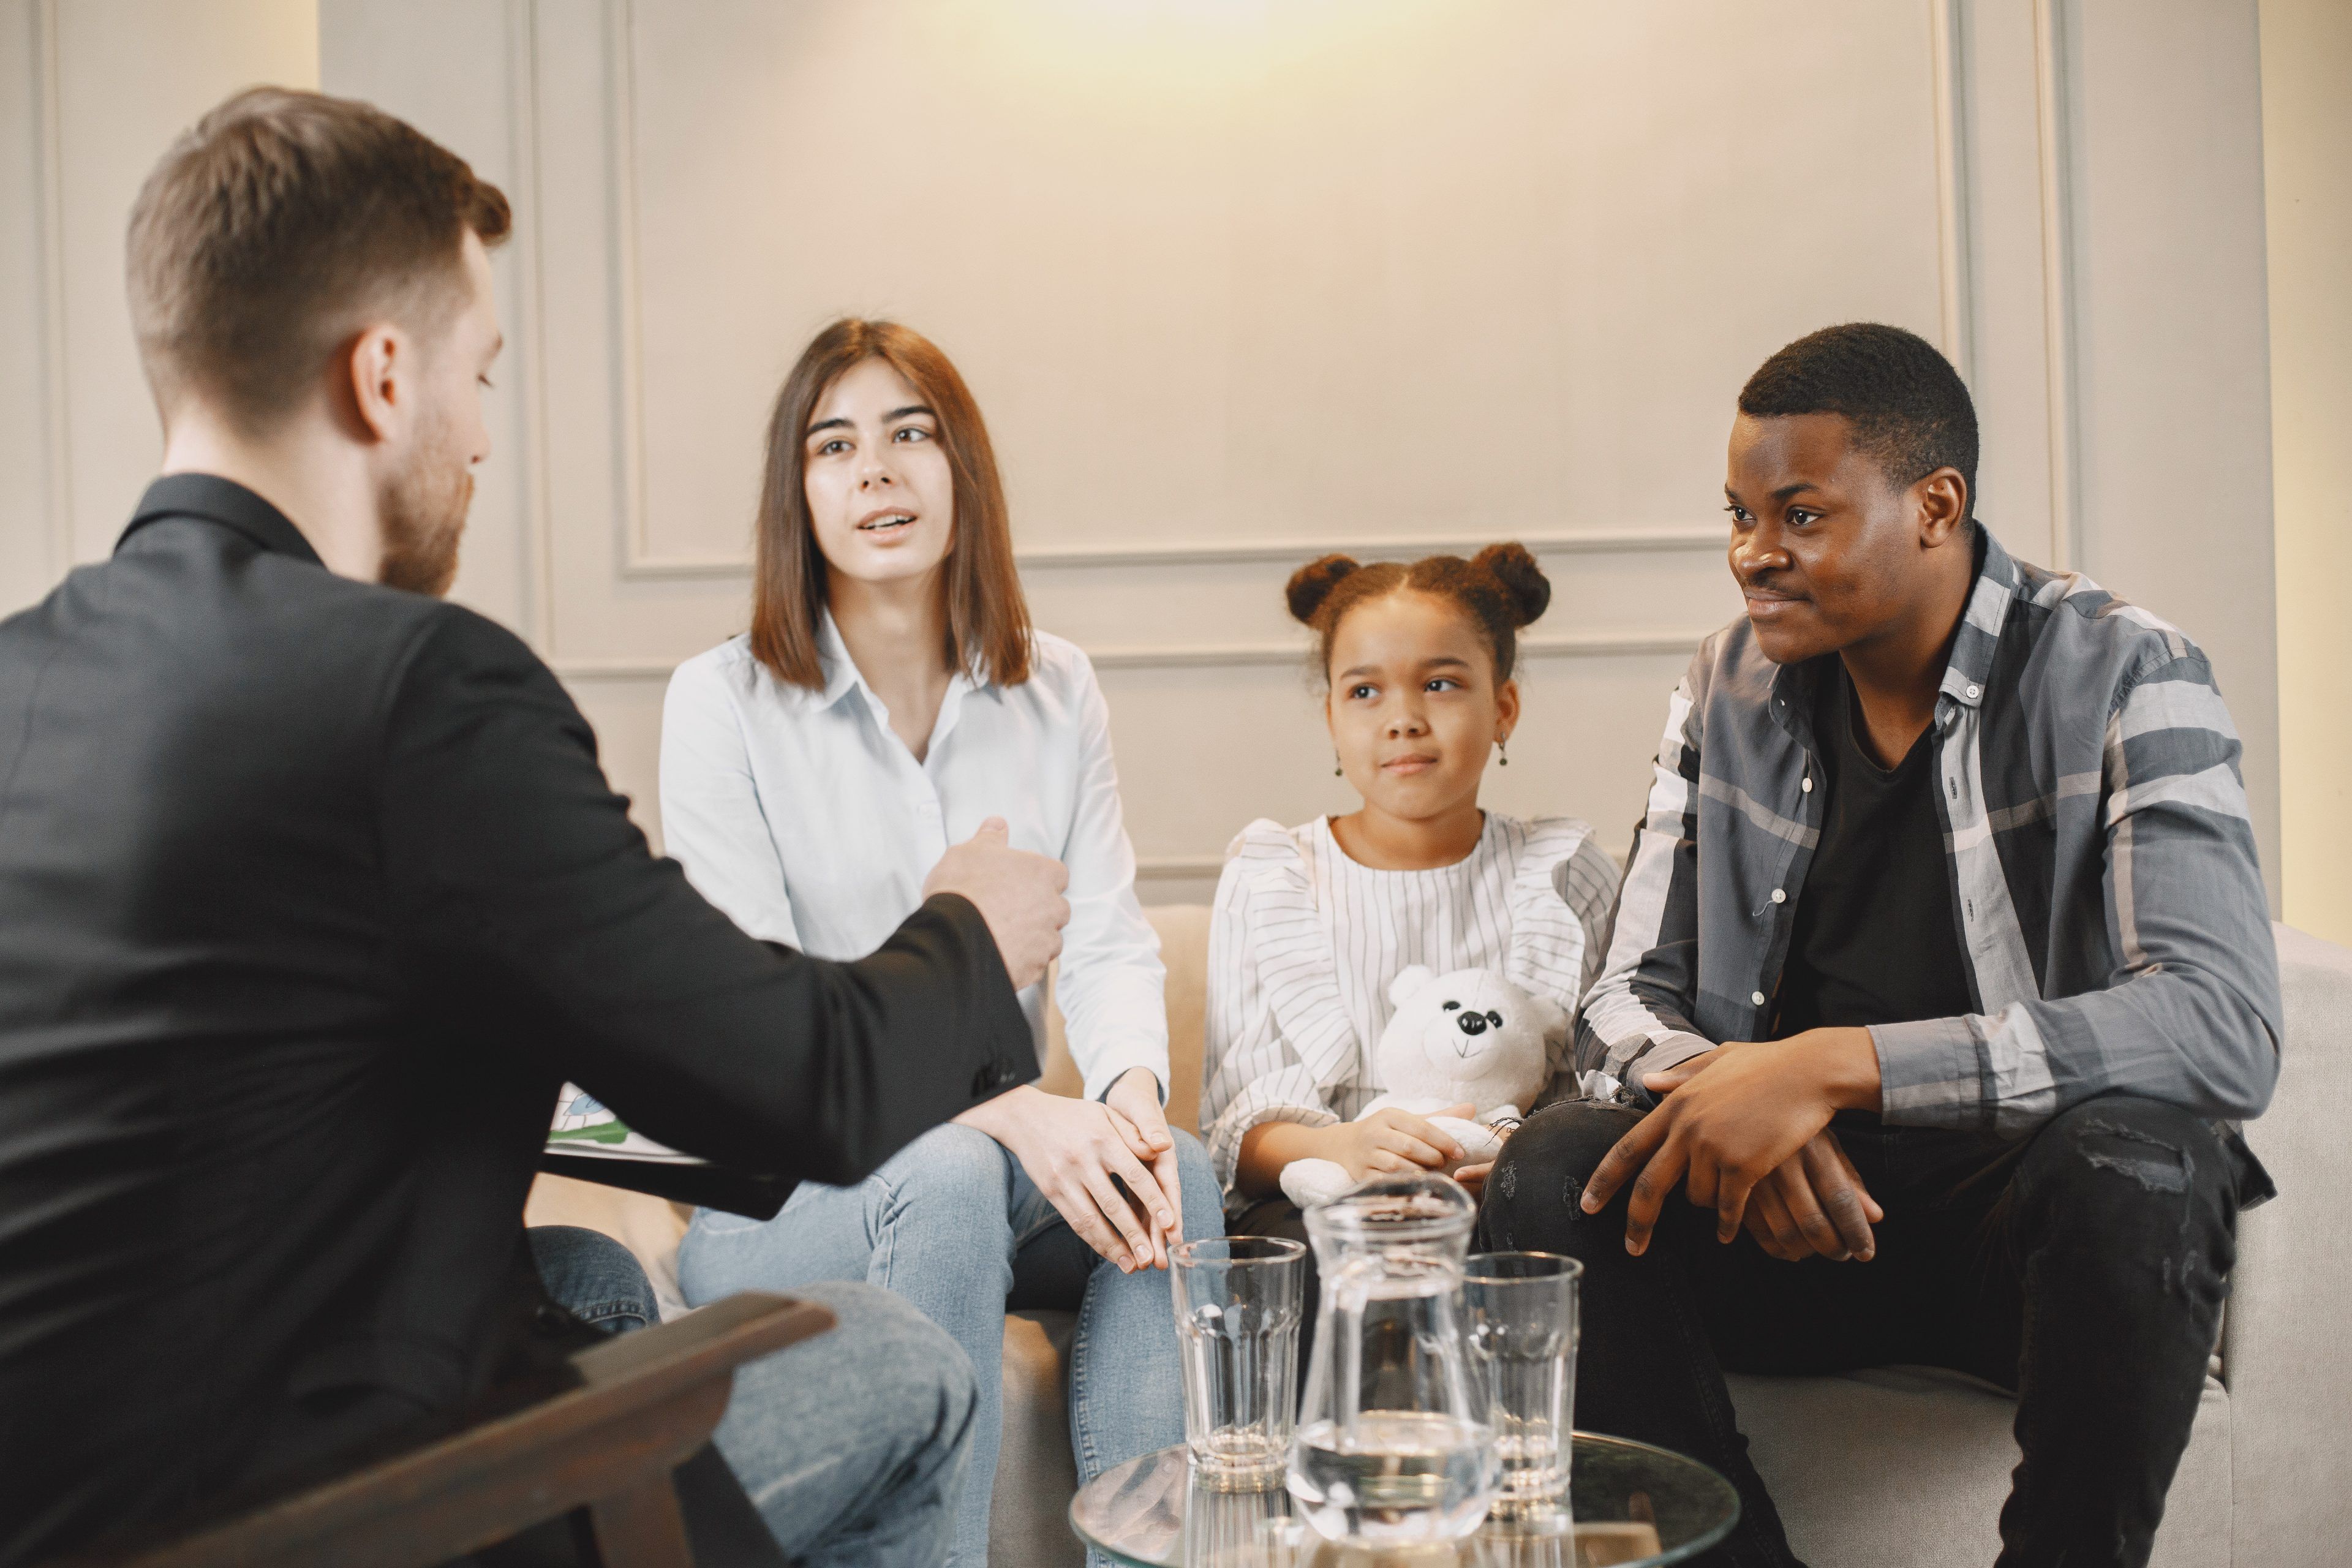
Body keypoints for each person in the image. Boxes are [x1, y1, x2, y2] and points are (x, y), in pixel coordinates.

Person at [0, 89, 1074, 1568]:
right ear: (382, 377)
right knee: (907, 1365)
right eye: (481, 376)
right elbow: (799, 1084)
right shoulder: (414, 687)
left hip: (63, 1495)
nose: (483, 435)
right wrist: (971, 925)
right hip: (302, 1516)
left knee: (581, 1276)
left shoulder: (18, 675)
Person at [1478, 323, 2281, 1568]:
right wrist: (1739, 1096)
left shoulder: (2126, 667)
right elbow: (1628, 994)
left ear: (1934, 505)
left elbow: (2218, 1023)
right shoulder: (1726, 683)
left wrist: (1837, 1064)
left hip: (2018, 1233)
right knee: (1554, 1163)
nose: (1754, 554)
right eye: (1739, 514)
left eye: (1798, 514)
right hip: (1781, 1215)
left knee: (2148, 1160)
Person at [661, 318, 1223, 1568]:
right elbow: (765, 1005)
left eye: (911, 433)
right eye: (836, 443)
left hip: (982, 1158)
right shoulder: (724, 702)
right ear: (796, 493)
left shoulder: (1056, 685)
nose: (877, 470)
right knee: (956, 1169)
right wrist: (1012, 1111)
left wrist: (1127, 1101)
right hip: (779, 1185)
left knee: (1171, 1167)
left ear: (961, 466)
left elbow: (1110, 937)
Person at [1202, 545, 1620, 1330]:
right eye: (1364, 690)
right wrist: (1345, 1150)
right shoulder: (1272, 879)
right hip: (1323, 1197)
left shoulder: (1563, 875)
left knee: (1548, 1254)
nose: (1403, 717)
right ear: (1330, 716)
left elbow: (1594, 1100)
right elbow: (1237, 1128)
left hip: (1509, 1195)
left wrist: (1504, 1162)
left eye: (1441, 683)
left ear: (1504, 708)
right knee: (1323, 1261)